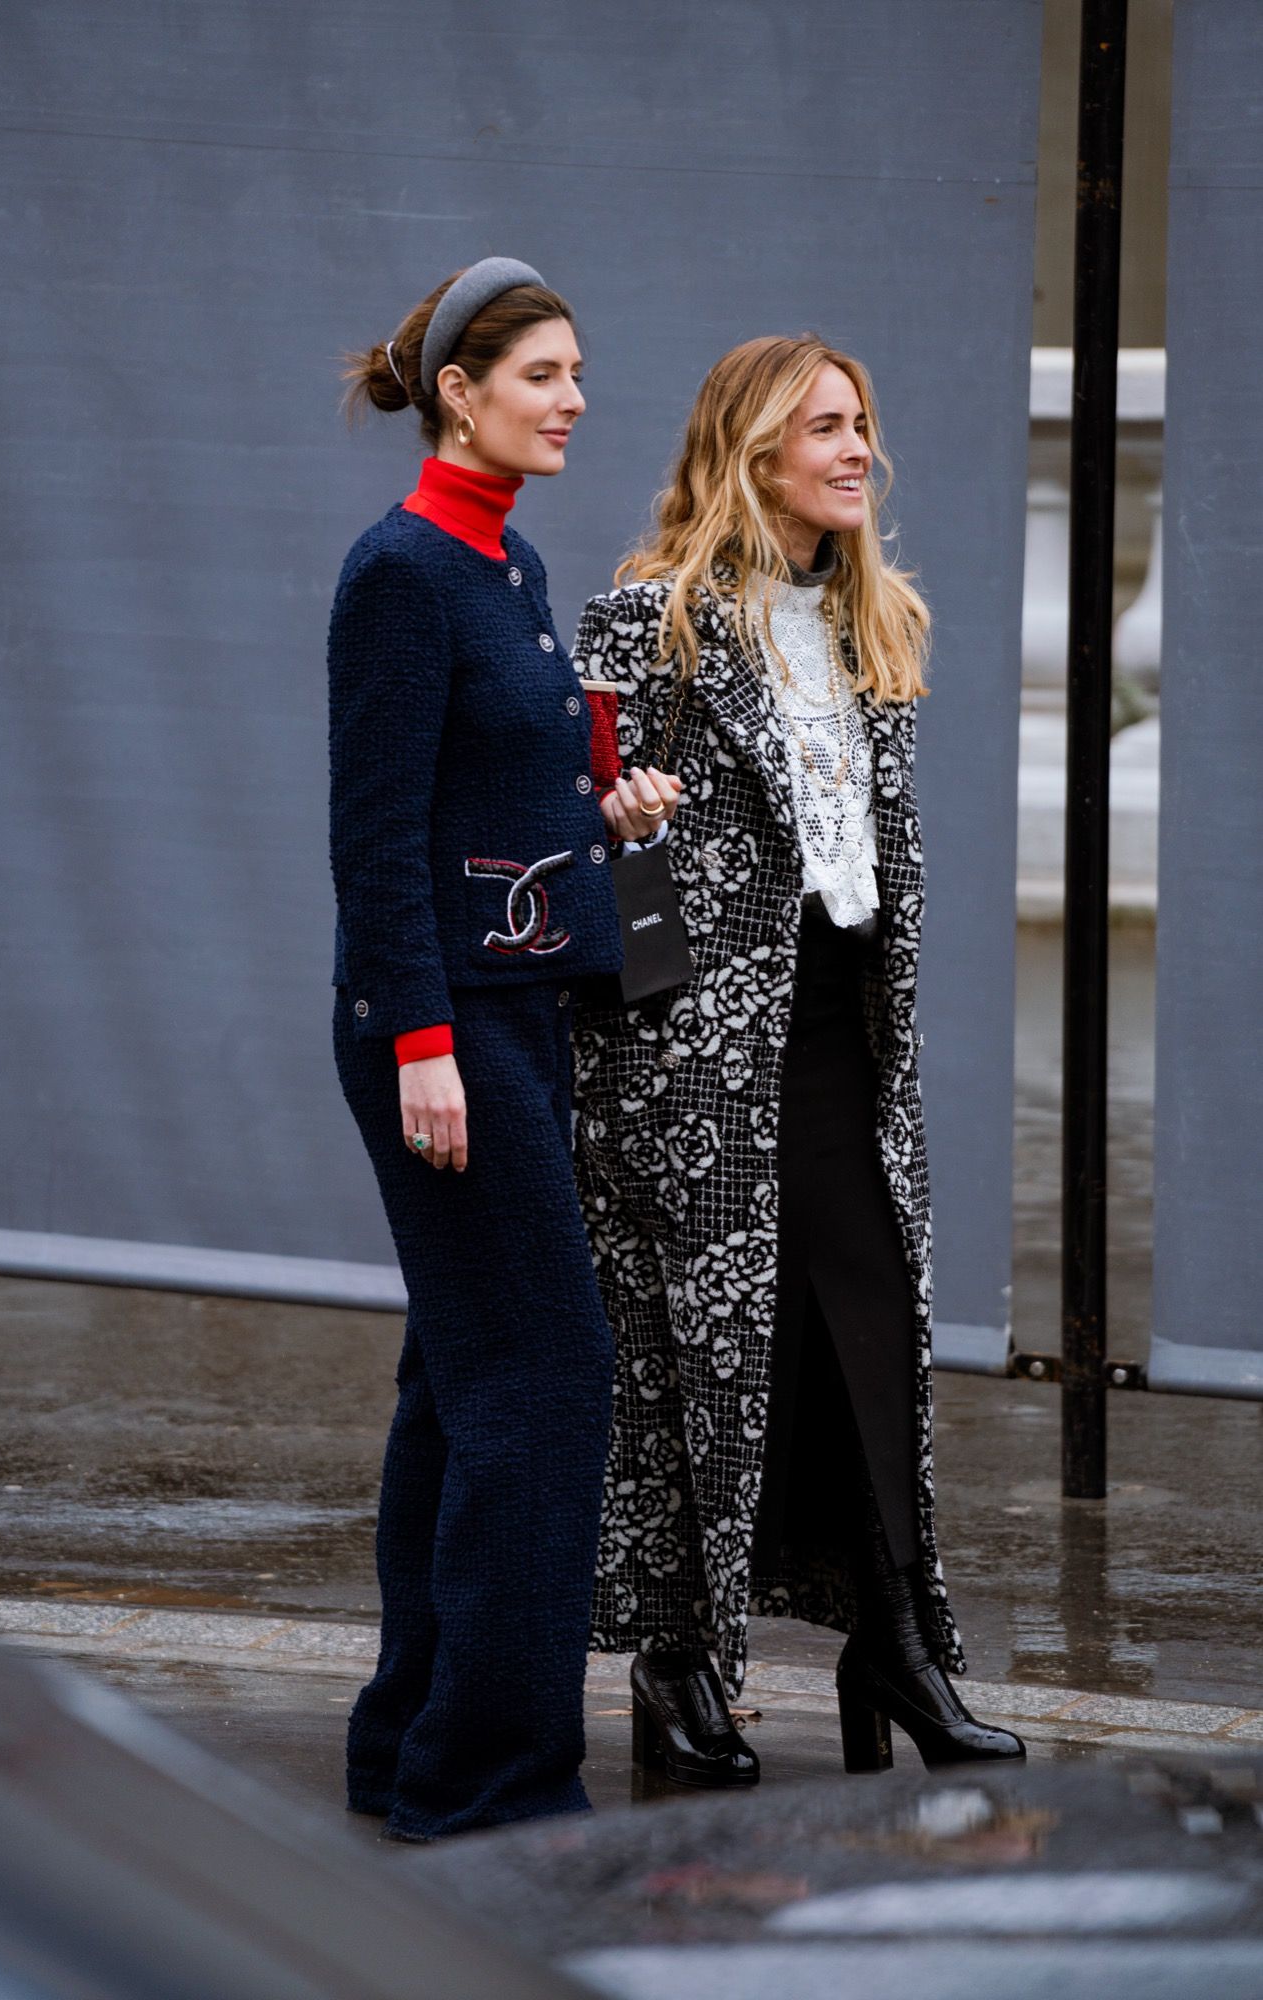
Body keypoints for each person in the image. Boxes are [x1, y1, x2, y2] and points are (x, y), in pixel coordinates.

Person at [569, 334, 1025, 1783]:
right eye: (824, 426)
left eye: (861, 424)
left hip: (841, 1040)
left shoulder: (874, 622)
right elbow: (569, 824)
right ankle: (679, 1661)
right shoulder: (649, 620)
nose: (856, 450)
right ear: (751, 449)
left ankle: (893, 1645)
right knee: (706, 1363)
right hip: (694, 1059)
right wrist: (614, 829)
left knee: (870, 1343)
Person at [327, 258, 678, 1841]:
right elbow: (375, 836)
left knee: (460, 1383)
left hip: (516, 1011)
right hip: (442, 1027)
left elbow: (490, 797)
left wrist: (606, 815)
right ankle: (491, 1782)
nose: (574, 399)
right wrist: (419, 1043)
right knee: (544, 1376)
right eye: (543, 373)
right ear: (458, 393)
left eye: (578, 372)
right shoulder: (402, 572)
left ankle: (408, 1743)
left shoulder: (508, 561)